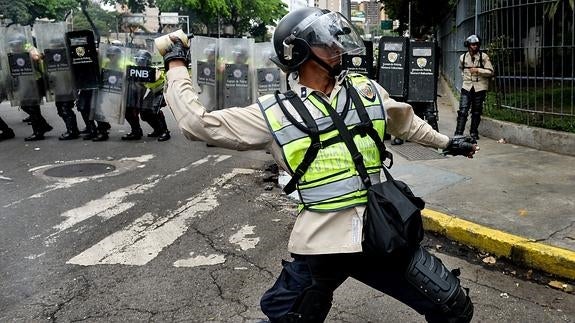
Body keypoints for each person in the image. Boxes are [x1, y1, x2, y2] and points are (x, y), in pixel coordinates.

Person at [159, 8, 477, 323]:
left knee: (453, 307)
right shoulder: (275, 113)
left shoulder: (365, 91)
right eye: (325, 43)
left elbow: (405, 123)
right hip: (323, 243)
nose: (336, 47)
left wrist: (447, 143)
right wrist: (176, 64)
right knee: (291, 318)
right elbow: (196, 124)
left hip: (378, 233)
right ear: (300, 52)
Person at [7, 33, 52, 141]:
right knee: (25, 105)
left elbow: (36, 57)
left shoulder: (29, 47)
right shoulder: (14, 51)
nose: (14, 47)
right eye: (12, 45)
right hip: (24, 81)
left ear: (22, 43)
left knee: (32, 106)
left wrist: (28, 52)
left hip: (34, 81)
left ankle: (38, 132)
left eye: (16, 44)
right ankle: (44, 126)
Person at [455, 34, 494, 140]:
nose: (475, 47)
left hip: (480, 87)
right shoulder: (463, 57)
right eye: (472, 44)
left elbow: (490, 72)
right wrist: (466, 78)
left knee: (476, 111)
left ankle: (473, 132)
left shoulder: (484, 57)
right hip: (467, 86)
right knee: (463, 110)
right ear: (468, 45)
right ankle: (458, 133)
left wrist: (478, 70)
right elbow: (461, 69)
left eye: (476, 44)